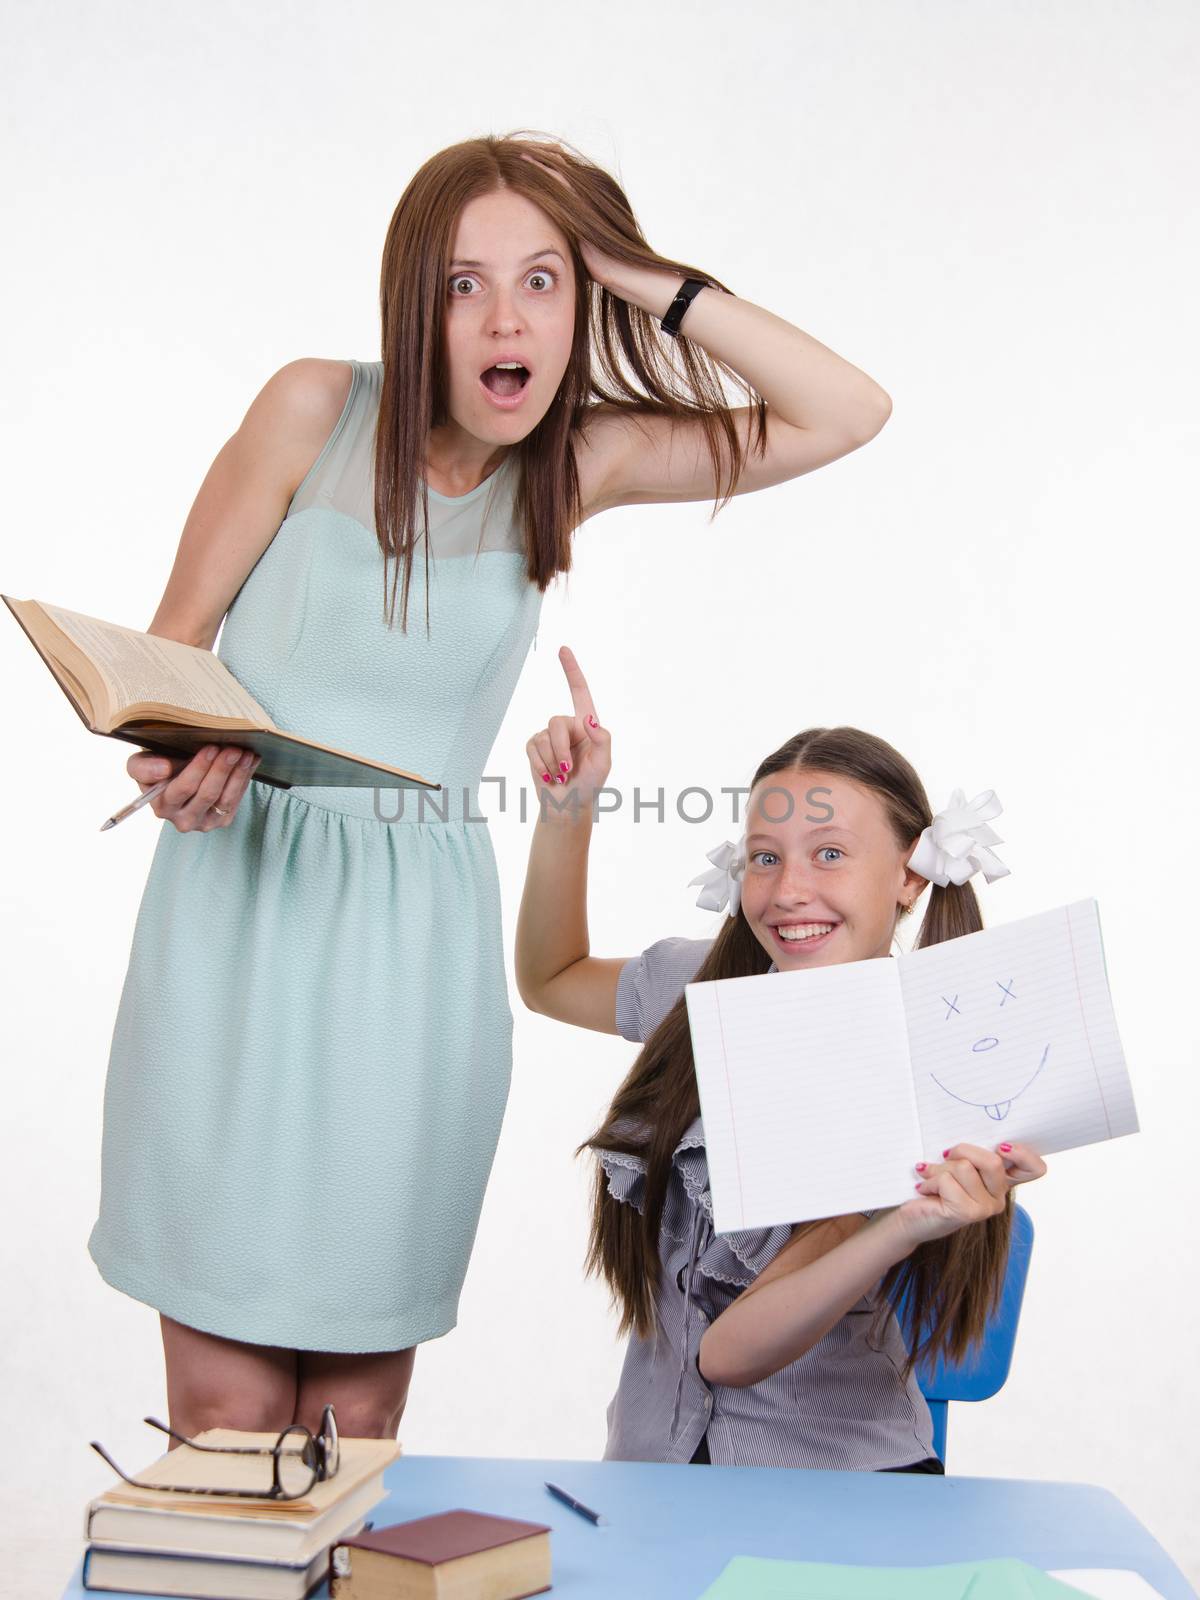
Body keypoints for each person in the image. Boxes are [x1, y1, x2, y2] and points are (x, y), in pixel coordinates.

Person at [91, 129, 895, 1444]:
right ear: (418, 302)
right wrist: (178, 760)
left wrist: (647, 278)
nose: (504, 317)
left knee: (352, 1424)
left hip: (416, 956)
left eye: (543, 280)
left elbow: (845, 412)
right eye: (464, 284)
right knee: (231, 1417)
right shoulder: (311, 405)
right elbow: (168, 653)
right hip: (239, 918)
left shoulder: (577, 462)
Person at [515, 649, 1047, 1470]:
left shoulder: (928, 1065)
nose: (788, 888)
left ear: (908, 877)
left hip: (839, 1480)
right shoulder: (696, 989)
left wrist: (898, 1215)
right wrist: (568, 811)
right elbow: (548, 979)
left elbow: (732, 1352)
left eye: (830, 854)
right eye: (766, 857)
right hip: (654, 1469)